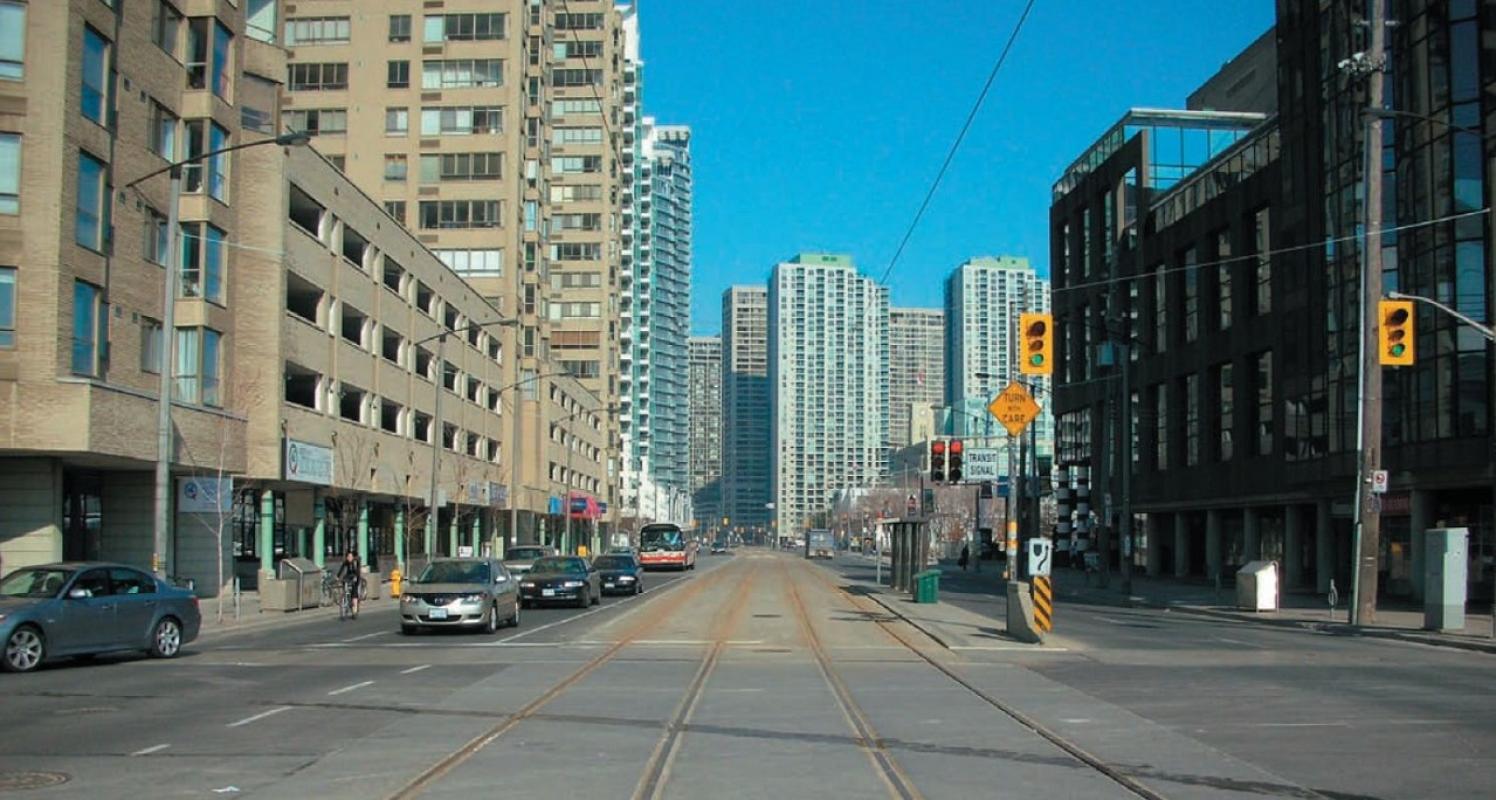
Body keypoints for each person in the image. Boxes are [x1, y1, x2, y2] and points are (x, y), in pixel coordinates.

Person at [335, 550, 362, 619]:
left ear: (353, 557)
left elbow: (358, 571)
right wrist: (337, 576)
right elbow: (342, 569)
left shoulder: (356, 562)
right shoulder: (346, 562)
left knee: (354, 593)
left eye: (350, 556)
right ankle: (346, 595)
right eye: (348, 557)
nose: (349, 558)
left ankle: (354, 611)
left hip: (356, 576)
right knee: (344, 581)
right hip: (349, 576)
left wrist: (356, 577)